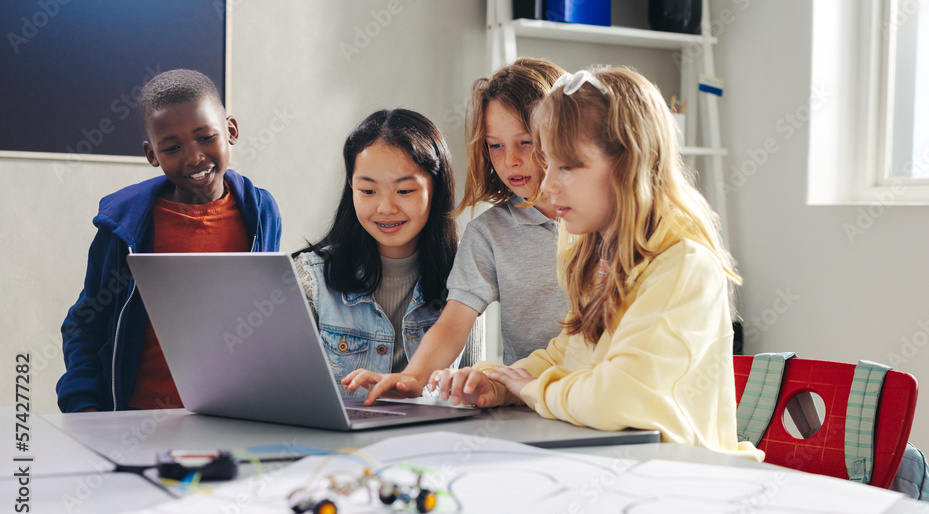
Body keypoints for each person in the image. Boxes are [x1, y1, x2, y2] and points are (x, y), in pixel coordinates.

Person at [430, 67, 764, 461]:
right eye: (549, 164)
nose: (549, 184)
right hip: (622, 473)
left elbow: (617, 396)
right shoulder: (600, 259)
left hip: (682, 487)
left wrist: (530, 390)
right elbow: (566, 355)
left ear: (628, 164)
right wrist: (497, 382)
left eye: (567, 166)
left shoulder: (683, 267)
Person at [342, 58, 570, 405]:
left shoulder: (602, 221)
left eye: (526, 142)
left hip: (601, 396)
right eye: (496, 145)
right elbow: (452, 324)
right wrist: (410, 378)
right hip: (530, 405)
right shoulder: (488, 234)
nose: (510, 160)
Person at [56, 69, 282, 413]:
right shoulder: (124, 226)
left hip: (231, 417)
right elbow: (86, 324)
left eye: (205, 137)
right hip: (136, 421)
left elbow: (268, 317)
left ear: (231, 131)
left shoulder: (260, 212)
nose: (193, 158)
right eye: (173, 147)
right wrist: (83, 407)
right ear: (152, 155)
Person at [292, 109, 459, 399]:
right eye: (368, 191)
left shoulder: (464, 276)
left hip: (429, 441)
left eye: (404, 191)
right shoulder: (310, 279)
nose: (385, 208)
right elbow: (288, 391)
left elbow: (465, 394)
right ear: (351, 189)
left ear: (436, 188)